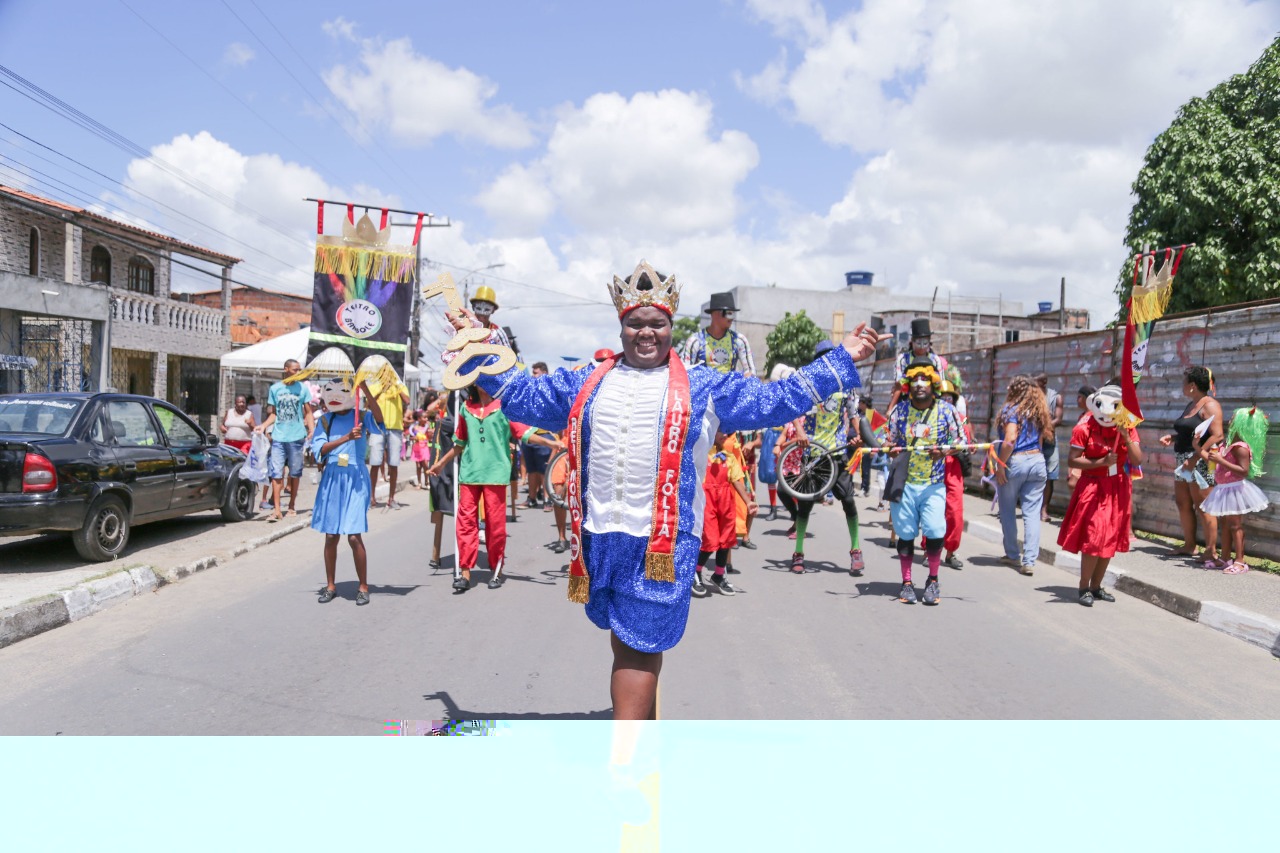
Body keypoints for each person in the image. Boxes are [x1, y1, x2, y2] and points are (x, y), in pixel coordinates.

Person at [444, 260, 883, 720]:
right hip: (599, 536)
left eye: (658, 323)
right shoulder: (587, 381)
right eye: (635, 323)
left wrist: (842, 359)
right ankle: (640, 736)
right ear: (621, 327)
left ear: (672, 325)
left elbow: (775, 400)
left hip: (662, 544)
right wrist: (479, 342)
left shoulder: (704, 385)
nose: (646, 332)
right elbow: (523, 395)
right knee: (628, 644)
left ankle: (627, 756)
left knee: (636, 651)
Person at [1058, 384, 1143, 606]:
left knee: (1110, 539)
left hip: (1118, 487)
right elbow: (1072, 460)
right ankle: (1083, 586)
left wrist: (1125, 436)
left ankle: (1096, 587)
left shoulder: (1128, 426)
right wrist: (1100, 462)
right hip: (1093, 486)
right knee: (1094, 538)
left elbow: (1137, 460)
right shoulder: (1084, 427)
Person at [886, 360, 962, 605]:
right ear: (909, 384)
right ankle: (906, 582)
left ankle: (933, 580)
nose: (919, 384)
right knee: (905, 535)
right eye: (915, 380)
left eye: (925, 379)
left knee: (935, 531)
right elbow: (888, 442)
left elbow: (961, 441)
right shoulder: (899, 412)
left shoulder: (947, 411)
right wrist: (890, 449)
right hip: (905, 484)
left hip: (933, 485)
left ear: (933, 383)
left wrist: (945, 452)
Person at [788, 339, 865, 577]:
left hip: (837, 452)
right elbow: (792, 408)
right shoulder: (810, 384)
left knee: (849, 501)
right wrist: (799, 432)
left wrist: (858, 436)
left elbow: (853, 414)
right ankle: (798, 552)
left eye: (832, 357)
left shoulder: (847, 385)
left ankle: (855, 549)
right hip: (813, 453)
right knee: (806, 505)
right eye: (824, 357)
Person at [428, 384, 512, 591]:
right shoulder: (466, 407)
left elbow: (522, 432)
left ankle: (496, 569)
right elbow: (460, 442)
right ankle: (465, 572)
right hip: (469, 474)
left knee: (495, 525)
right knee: (465, 523)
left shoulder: (504, 406)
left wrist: (552, 445)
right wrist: (441, 463)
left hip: (496, 474)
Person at [311, 376, 385, 606]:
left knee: (354, 536)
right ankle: (330, 585)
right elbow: (319, 450)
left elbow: (381, 421)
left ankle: (363, 586)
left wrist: (367, 391)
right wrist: (346, 437)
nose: (335, 395)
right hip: (333, 478)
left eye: (342, 390)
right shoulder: (325, 421)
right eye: (329, 390)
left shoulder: (362, 417)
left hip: (355, 479)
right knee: (331, 535)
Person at [1158, 366, 1225, 564]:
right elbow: (1191, 431)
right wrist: (1173, 437)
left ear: (1192, 385)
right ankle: (1189, 545)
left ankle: (1211, 551)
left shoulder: (1210, 405)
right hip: (1183, 460)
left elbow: (1217, 435)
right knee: (1183, 503)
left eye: (1184, 381)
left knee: (1203, 506)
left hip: (1199, 462)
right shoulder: (1192, 404)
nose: (1182, 384)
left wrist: (1195, 457)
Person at [993, 375, 1052, 576]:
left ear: (1014, 390)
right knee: (1032, 514)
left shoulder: (1011, 409)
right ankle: (1029, 561)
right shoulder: (1038, 411)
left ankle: (1012, 554)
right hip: (1037, 461)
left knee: (1007, 510)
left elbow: (1010, 439)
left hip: (1015, 461)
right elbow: (1042, 440)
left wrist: (1000, 464)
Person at [1200, 407, 1270, 574]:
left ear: (1242, 424)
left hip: (1234, 490)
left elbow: (1243, 470)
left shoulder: (1241, 447)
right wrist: (1205, 451)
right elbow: (1216, 461)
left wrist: (1220, 461)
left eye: (1233, 418)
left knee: (1235, 525)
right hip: (1224, 489)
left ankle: (1240, 561)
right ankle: (1225, 558)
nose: (1229, 421)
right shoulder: (1229, 444)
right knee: (1225, 525)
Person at [693, 432, 756, 596]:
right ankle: (696, 572)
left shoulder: (729, 456)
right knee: (710, 539)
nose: (726, 434)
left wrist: (749, 502)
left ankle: (719, 575)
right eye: (722, 431)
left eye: (728, 432)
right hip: (708, 500)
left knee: (727, 538)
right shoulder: (703, 452)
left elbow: (736, 480)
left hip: (725, 500)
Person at [256, 359, 315, 522]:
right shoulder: (275, 389)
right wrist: (263, 425)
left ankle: (292, 505)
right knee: (276, 473)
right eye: (295, 369)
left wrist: (311, 429)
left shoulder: (303, 388)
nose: (298, 372)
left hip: (297, 436)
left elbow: (308, 411)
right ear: (286, 369)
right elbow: (273, 413)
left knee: (295, 473)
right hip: (279, 437)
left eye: (299, 370)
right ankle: (276, 509)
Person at [927, 379, 969, 570]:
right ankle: (931, 550)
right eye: (942, 397)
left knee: (955, 512)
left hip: (953, 468)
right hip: (932, 466)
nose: (946, 401)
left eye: (949, 398)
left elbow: (967, 438)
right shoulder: (928, 416)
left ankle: (951, 552)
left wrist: (969, 446)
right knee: (932, 511)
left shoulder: (961, 418)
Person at [679, 291, 755, 376]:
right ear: (715, 314)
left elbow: (751, 373)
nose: (732, 319)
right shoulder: (695, 341)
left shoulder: (739, 340)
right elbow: (684, 373)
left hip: (730, 388)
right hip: (703, 388)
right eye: (729, 313)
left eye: (733, 314)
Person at [366, 371, 410, 510]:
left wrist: (395, 386)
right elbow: (368, 403)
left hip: (395, 428)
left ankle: (391, 498)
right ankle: (371, 497)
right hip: (377, 428)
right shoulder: (374, 386)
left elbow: (407, 400)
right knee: (375, 462)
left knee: (394, 463)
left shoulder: (400, 385)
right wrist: (382, 388)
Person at [886, 318, 949, 414]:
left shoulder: (935, 360)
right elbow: (899, 385)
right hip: (906, 399)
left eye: (925, 343)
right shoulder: (903, 359)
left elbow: (940, 384)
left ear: (929, 342)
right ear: (912, 342)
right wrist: (891, 408)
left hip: (931, 401)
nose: (922, 347)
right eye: (919, 343)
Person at [425, 391, 456, 572]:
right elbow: (429, 410)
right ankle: (435, 554)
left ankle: (441, 555)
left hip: (451, 461)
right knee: (439, 508)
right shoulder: (441, 422)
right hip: (442, 463)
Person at [1035, 373, 1065, 521]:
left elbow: (1058, 419)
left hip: (1049, 441)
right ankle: (1032, 507)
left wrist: (1044, 428)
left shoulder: (1055, 397)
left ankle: (1044, 510)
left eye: (1039, 383)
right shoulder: (1030, 397)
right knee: (1031, 476)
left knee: (1050, 476)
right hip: (1032, 441)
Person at [469, 285, 512, 349]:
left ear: (493, 310)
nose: (482, 314)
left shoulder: (498, 332)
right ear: (473, 307)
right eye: (479, 308)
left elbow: (509, 355)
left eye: (487, 309)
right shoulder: (466, 328)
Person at [408, 409, 432, 488]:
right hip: (417, 448)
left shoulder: (427, 427)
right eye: (424, 417)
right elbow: (411, 437)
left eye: (427, 417)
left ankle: (427, 481)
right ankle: (419, 482)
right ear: (419, 419)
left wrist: (429, 433)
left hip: (424, 447)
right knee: (418, 466)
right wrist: (415, 438)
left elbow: (430, 437)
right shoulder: (415, 428)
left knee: (425, 465)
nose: (426, 419)